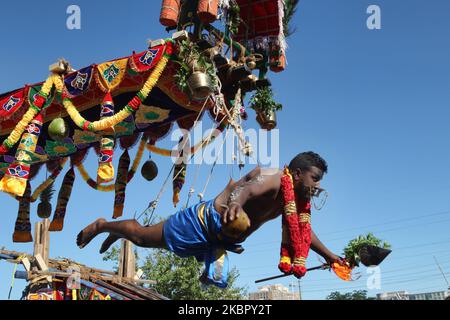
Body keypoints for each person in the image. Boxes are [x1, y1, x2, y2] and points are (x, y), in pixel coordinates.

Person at [77, 151, 343, 287]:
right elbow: (247, 187)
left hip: (220, 240)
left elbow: (305, 235)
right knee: (142, 238)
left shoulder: (295, 203)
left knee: (214, 281)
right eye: (315, 179)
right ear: (296, 174)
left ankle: (121, 231)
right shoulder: (272, 176)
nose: (317, 186)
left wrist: (331, 257)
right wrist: (236, 204)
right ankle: (105, 226)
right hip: (203, 223)